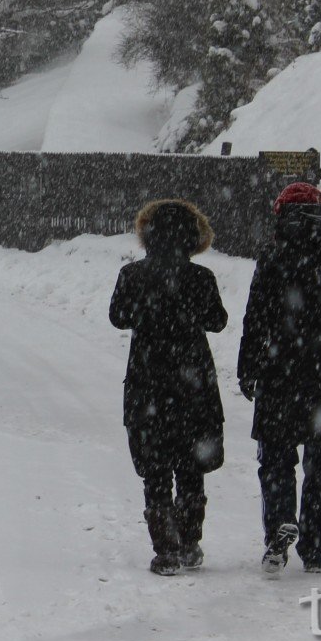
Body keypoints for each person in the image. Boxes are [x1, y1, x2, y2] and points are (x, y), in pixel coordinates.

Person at [238, 182, 321, 575]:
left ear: (282, 216)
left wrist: (249, 368)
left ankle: (280, 522)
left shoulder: (273, 256)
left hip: (280, 372)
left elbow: (255, 319)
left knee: (276, 459)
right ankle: (315, 545)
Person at [109, 200, 228, 576]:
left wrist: (149, 311)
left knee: (156, 466)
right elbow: (218, 321)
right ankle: (190, 541)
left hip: (148, 382)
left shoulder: (132, 275)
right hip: (193, 382)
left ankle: (165, 549)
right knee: (191, 465)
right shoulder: (201, 278)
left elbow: (117, 316)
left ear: (148, 234)